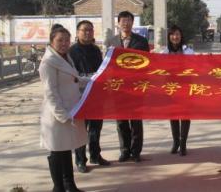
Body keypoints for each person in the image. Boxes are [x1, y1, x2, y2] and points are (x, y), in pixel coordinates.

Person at [39, 25, 87, 192]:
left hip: (70, 111)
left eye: (67, 40)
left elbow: (75, 79)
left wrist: (92, 81)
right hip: (57, 115)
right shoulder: (48, 63)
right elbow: (50, 92)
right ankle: (58, 188)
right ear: (51, 41)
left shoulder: (66, 58)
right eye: (60, 40)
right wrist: (62, 115)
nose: (64, 43)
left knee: (66, 149)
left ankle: (70, 185)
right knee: (56, 152)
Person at [104, 11, 150, 163]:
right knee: (121, 121)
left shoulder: (142, 41)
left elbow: (148, 64)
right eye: (123, 21)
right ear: (118, 23)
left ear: (132, 23)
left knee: (136, 121)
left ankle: (136, 151)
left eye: (129, 20)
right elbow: (107, 65)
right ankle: (124, 151)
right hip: (119, 88)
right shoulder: (111, 42)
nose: (126, 23)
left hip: (136, 87)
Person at [69, 20, 110, 173]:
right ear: (78, 32)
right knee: (81, 129)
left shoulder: (96, 50)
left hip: (96, 94)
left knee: (96, 128)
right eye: (84, 30)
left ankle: (95, 155)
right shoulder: (71, 52)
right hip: (79, 95)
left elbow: (101, 70)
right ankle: (80, 160)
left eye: (90, 30)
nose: (87, 33)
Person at [160, 25, 195, 156]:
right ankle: (176, 143)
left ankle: (183, 143)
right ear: (169, 37)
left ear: (181, 36)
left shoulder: (188, 51)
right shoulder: (163, 52)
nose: (175, 37)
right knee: (173, 115)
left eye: (178, 34)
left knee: (185, 116)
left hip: (185, 87)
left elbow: (195, 68)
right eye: (173, 34)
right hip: (170, 88)